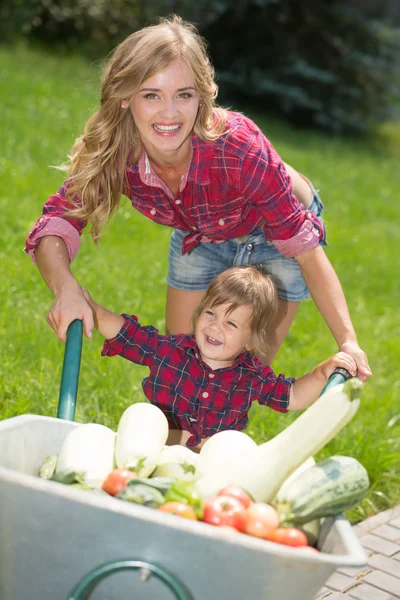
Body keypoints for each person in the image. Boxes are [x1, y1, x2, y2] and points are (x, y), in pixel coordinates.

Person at [24, 15, 371, 379]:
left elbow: (305, 252)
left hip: (276, 235)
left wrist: (347, 341)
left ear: (202, 97)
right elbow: (57, 222)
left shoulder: (238, 149)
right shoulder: (116, 150)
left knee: (225, 383)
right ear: (125, 97)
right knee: (180, 378)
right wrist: (66, 289)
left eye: (184, 95)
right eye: (151, 95)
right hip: (203, 233)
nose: (169, 113)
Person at [81, 265, 358, 449]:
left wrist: (323, 372)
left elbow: (292, 396)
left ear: (250, 340)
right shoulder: (171, 352)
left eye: (231, 324)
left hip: (214, 467)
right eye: (211, 314)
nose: (215, 327)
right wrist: (92, 309)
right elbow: (129, 335)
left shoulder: (251, 376)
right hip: (158, 454)